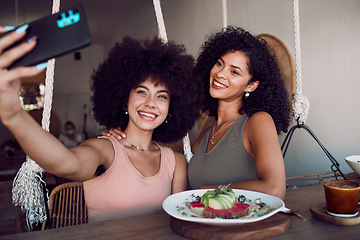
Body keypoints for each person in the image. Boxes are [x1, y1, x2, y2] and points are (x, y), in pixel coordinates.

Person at [0, 24, 203, 222]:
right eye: (142, 92)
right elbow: (64, 164)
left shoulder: (175, 162)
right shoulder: (104, 149)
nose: (151, 104)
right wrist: (13, 115)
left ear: (172, 107)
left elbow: (179, 222)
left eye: (162, 96)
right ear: (124, 98)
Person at [107, 26, 290, 200]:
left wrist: (207, 192)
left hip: (246, 230)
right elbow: (171, 166)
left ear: (251, 85)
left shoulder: (257, 122)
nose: (220, 74)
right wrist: (126, 141)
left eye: (234, 72)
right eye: (219, 64)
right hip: (205, 229)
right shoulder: (206, 134)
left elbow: (274, 189)